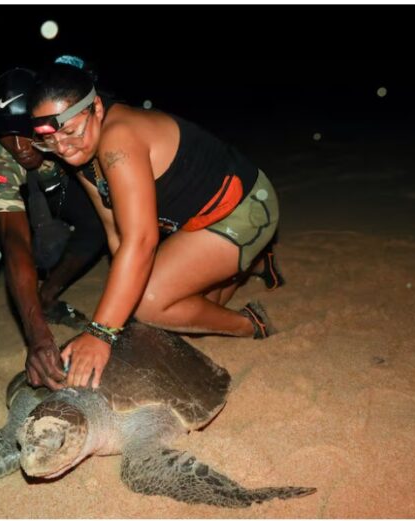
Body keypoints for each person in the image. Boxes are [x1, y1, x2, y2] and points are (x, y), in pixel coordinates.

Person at [29, 64, 283, 389]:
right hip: (194, 224)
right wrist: (119, 316)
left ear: (96, 107)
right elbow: (117, 233)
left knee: (150, 302)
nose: (62, 148)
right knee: (177, 312)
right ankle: (253, 262)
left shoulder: (118, 139)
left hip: (243, 208)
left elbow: (142, 241)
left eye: (71, 132)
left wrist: (102, 331)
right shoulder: (82, 150)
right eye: (49, 141)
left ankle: (250, 324)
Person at [0, 68, 106, 385]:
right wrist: (37, 335)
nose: (20, 145)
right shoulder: (0, 152)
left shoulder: (63, 130)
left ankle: (48, 295)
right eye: (8, 135)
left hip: (50, 162)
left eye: (26, 133)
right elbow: (14, 240)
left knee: (95, 222)